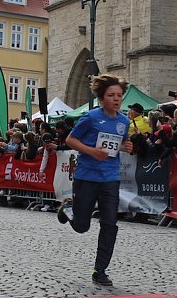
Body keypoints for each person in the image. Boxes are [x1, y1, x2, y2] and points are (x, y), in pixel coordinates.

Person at [57, 74, 133, 287]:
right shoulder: (90, 117)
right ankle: (68, 209)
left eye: (119, 95)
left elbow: (121, 144)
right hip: (87, 176)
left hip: (110, 177)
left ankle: (100, 270)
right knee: (82, 227)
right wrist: (91, 151)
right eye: (111, 95)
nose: (116, 99)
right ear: (102, 98)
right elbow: (70, 139)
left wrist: (127, 147)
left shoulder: (124, 121)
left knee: (110, 223)